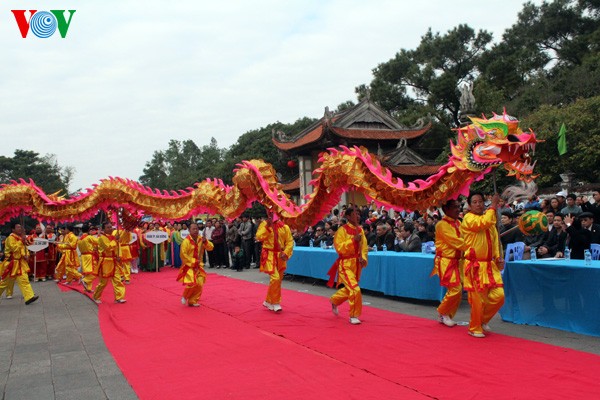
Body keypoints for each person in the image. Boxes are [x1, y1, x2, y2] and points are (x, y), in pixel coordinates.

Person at [461, 192, 504, 338]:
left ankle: (482, 320)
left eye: (480, 201)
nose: (478, 204)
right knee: (478, 299)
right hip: (475, 265)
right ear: (469, 205)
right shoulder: (468, 218)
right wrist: (493, 206)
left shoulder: (489, 219)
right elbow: (482, 224)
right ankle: (474, 327)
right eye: (475, 202)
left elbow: (495, 240)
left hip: (489, 264)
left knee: (499, 296)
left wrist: (498, 257)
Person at [327, 206, 368, 325]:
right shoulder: (342, 230)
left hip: (356, 264)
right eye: (355, 214)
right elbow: (339, 248)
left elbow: (364, 247)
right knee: (355, 289)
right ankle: (354, 315)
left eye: (359, 214)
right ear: (348, 217)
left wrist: (363, 258)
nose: (358, 216)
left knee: (350, 288)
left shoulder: (360, 230)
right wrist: (352, 241)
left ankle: (334, 300)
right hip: (345, 263)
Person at [431, 200, 469, 327]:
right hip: (446, 261)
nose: (458, 209)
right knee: (455, 288)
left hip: (458, 261)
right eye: (454, 207)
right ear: (446, 209)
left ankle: (447, 315)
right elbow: (456, 242)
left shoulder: (459, 222)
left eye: (459, 207)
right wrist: (474, 245)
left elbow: (465, 237)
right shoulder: (442, 225)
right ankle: (442, 312)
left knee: (458, 290)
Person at [255, 214, 294, 312]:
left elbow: (290, 242)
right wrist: (267, 227)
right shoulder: (265, 224)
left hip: (280, 256)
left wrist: (286, 252)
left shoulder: (284, 227)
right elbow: (259, 237)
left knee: (278, 280)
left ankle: (268, 301)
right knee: (275, 278)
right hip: (269, 255)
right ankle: (276, 302)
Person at [0, 223, 39, 305]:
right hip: (11, 264)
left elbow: (24, 249)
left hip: (19, 264)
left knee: (24, 279)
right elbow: (14, 248)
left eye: (20, 227)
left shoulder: (21, 238)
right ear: (13, 229)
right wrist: (22, 241)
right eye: (18, 227)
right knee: (4, 282)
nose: (20, 229)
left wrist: (27, 255)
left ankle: (29, 297)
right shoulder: (10, 238)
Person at [177, 222, 214, 307]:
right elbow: (183, 255)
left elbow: (211, 248)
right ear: (189, 230)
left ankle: (193, 301)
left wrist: (206, 242)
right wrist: (193, 262)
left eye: (196, 228)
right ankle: (185, 296)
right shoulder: (186, 241)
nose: (195, 230)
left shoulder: (201, 239)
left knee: (200, 283)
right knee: (192, 283)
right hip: (189, 266)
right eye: (193, 229)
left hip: (199, 265)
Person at [93, 222, 126, 304]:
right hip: (105, 262)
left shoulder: (114, 238)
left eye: (111, 227)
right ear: (104, 229)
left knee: (117, 280)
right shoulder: (101, 238)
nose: (110, 229)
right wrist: (115, 240)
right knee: (103, 282)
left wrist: (119, 256)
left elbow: (118, 248)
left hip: (114, 261)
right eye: (108, 227)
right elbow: (108, 248)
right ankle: (96, 296)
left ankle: (119, 297)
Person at [78, 225, 99, 293]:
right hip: (89, 256)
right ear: (88, 230)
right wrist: (99, 236)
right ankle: (85, 280)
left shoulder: (80, 239)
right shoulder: (89, 237)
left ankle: (88, 288)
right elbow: (98, 241)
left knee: (88, 273)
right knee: (95, 271)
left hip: (83, 256)